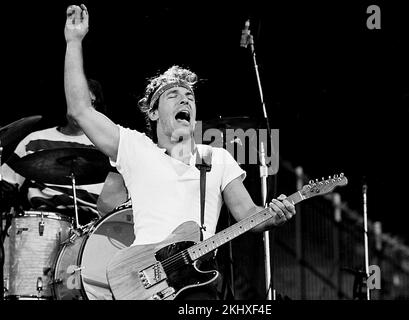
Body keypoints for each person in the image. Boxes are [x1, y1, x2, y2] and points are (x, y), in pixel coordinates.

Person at [64, 4, 296, 300]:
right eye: (172, 95)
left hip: (195, 282)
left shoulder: (217, 159)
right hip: (143, 278)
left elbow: (249, 215)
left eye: (189, 96)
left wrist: (274, 215)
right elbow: (81, 110)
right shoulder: (136, 147)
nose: (184, 99)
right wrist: (74, 42)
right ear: (153, 112)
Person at [0, 78, 107, 225]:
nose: (81, 109)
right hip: (43, 223)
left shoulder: (105, 145)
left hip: (94, 227)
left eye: (89, 103)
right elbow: (6, 184)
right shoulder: (35, 141)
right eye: (76, 102)